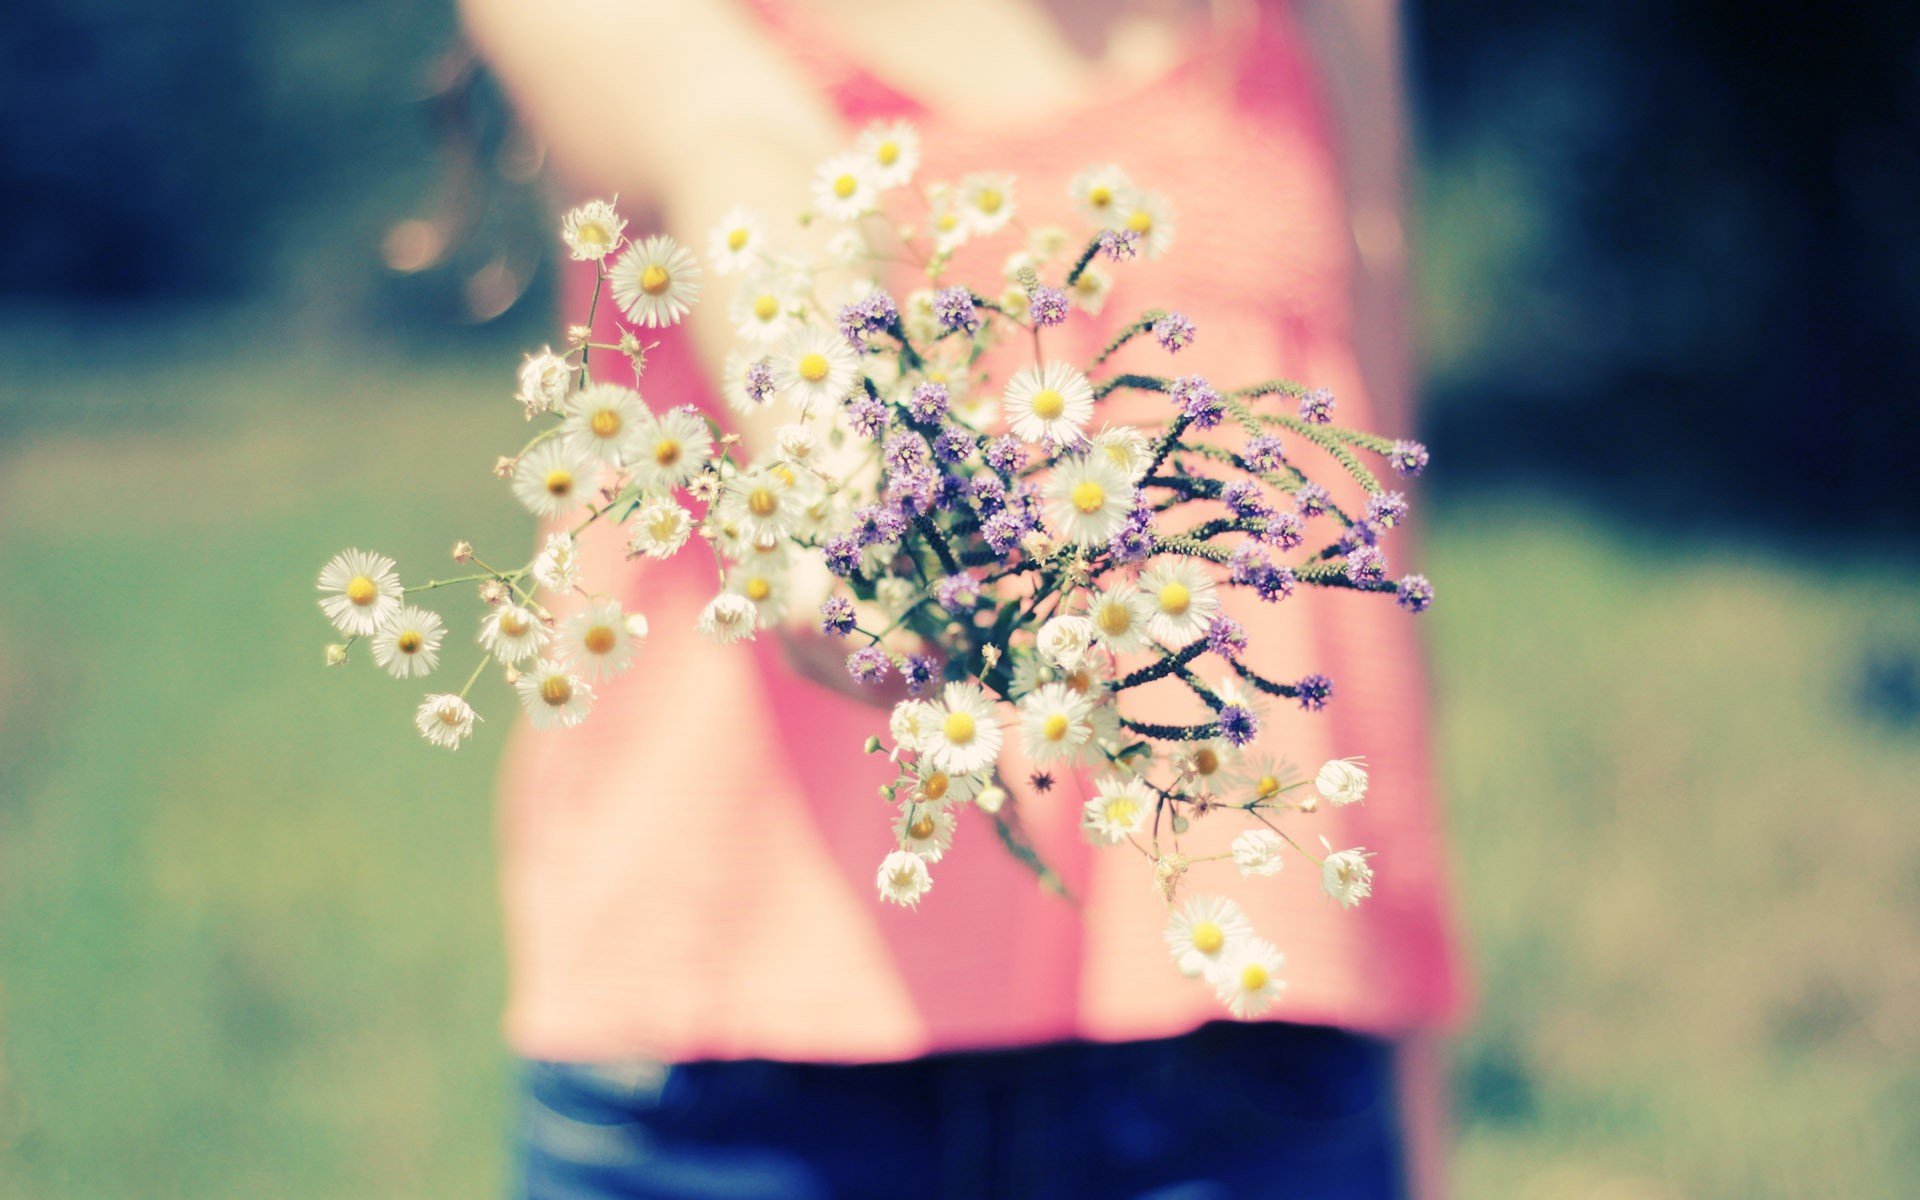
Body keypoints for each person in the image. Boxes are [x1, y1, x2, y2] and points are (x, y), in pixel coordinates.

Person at [458, 1, 1464, 1195]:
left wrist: (1406, 998)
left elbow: (1374, 526)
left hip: (1250, 1057)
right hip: (729, 1083)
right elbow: (741, 143)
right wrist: (831, 473)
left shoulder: (1321, 28)